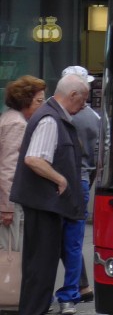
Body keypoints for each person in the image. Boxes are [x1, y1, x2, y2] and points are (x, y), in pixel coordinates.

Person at [9, 73, 90, 315]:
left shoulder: (52, 116)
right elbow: (34, 159)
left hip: (45, 203)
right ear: (73, 95)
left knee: (40, 262)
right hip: (44, 203)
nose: (85, 105)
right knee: (41, 262)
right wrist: (60, 179)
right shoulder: (50, 119)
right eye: (84, 99)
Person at [57, 67, 102, 308]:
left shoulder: (57, 114)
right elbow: (100, 155)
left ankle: (70, 290)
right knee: (74, 241)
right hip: (82, 179)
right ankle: (74, 290)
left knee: (55, 239)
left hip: (58, 182)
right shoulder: (94, 118)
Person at [0, 76, 47, 229]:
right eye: (39, 101)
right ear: (25, 101)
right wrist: (7, 207)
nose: (43, 105)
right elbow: (9, 167)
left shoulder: (9, 118)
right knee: (10, 249)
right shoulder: (17, 123)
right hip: (9, 201)